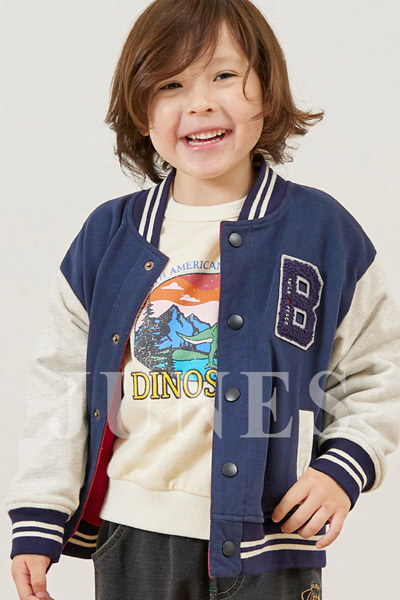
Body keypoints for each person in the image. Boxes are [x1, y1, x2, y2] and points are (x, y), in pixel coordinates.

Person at [6, 0, 400, 599]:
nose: (200, 103)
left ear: (266, 90)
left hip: (271, 539)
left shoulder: (322, 232)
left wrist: (341, 468)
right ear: (140, 110)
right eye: (171, 84)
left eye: (223, 75)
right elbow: (60, 380)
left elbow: (379, 369)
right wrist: (40, 511)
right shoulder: (109, 237)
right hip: (131, 535)